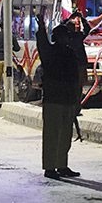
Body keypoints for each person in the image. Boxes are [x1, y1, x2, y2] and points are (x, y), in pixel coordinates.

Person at [35, 13, 81, 180]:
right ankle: (50, 167)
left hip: (67, 99)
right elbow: (42, 42)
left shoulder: (70, 53)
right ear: (57, 38)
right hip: (54, 99)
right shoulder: (51, 52)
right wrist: (40, 27)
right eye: (64, 36)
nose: (66, 39)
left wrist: (77, 101)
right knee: (52, 135)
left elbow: (76, 78)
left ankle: (61, 165)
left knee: (65, 136)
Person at [65, 11, 91, 116]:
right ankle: (76, 107)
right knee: (78, 87)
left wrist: (71, 17)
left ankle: (73, 107)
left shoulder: (67, 38)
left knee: (73, 87)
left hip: (72, 65)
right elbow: (88, 29)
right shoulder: (78, 36)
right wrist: (81, 18)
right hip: (78, 64)